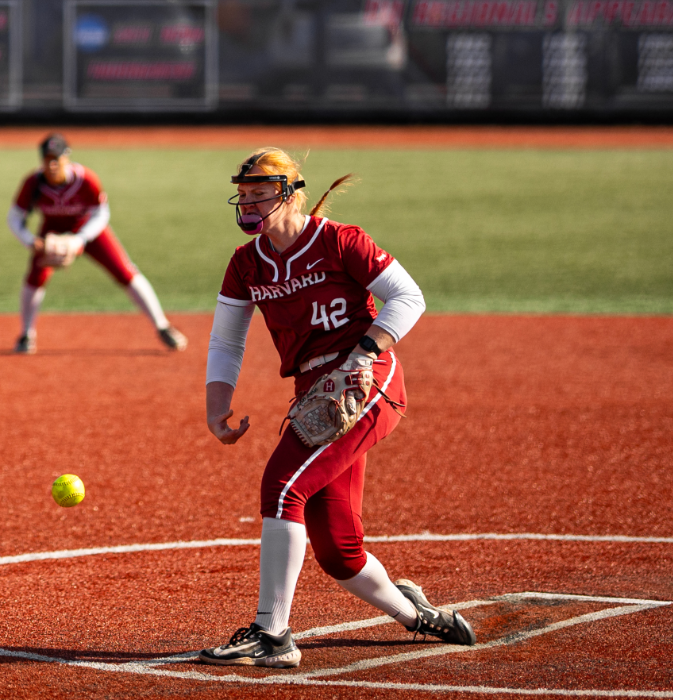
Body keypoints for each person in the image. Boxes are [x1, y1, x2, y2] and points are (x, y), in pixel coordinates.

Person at [197, 147, 475, 668]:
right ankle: (416, 615)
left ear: (290, 193)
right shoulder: (246, 263)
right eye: (245, 195)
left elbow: (407, 297)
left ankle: (272, 635)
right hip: (313, 392)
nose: (251, 204)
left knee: (282, 486)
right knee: (338, 550)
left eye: (262, 193)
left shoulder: (338, 240)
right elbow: (226, 340)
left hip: (364, 379)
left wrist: (364, 352)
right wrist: (218, 406)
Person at [7, 133, 186, 355]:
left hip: (87, 230)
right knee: (36, 276)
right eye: (47, 159)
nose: (52, 164)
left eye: (57, 158)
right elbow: (14, 218)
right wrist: (31, 242)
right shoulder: (33, 182)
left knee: (124, 271)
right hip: (51, 232)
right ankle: (26, 335)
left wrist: (79, 239)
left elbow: (101, 214)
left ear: (67, 158)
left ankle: (162, 326)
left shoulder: (85, 180)